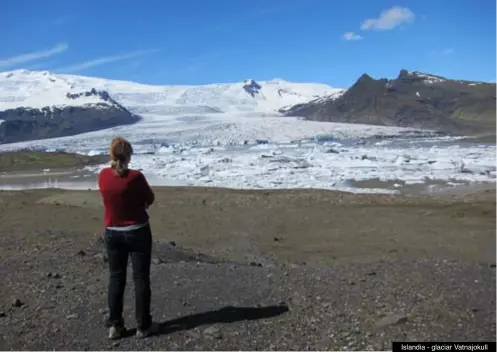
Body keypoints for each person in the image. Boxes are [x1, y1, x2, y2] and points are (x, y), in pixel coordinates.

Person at [98, 137, 157, 339]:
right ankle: (143, 326)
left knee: (116, 278)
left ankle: (115, 325)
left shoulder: (103, 176)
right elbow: (150, 198)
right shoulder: (135, 177)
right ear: (129, 155)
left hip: (112, 233)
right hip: (137, 231)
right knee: (140, 278)